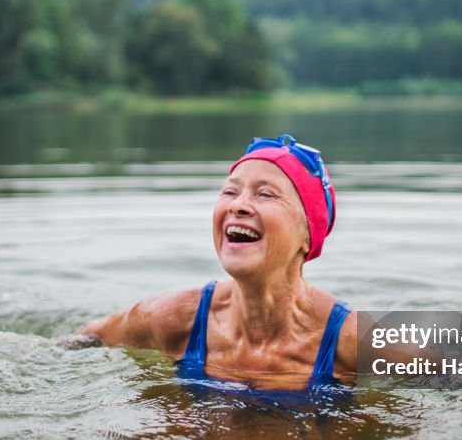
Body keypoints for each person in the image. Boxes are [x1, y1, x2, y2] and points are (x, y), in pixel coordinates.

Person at [69, 134, 357, 391]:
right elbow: (87, 338)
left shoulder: (352, 337)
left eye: (265, 194)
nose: (237, 205)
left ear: (308, 234)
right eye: (230, 192)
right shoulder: (175, 317)